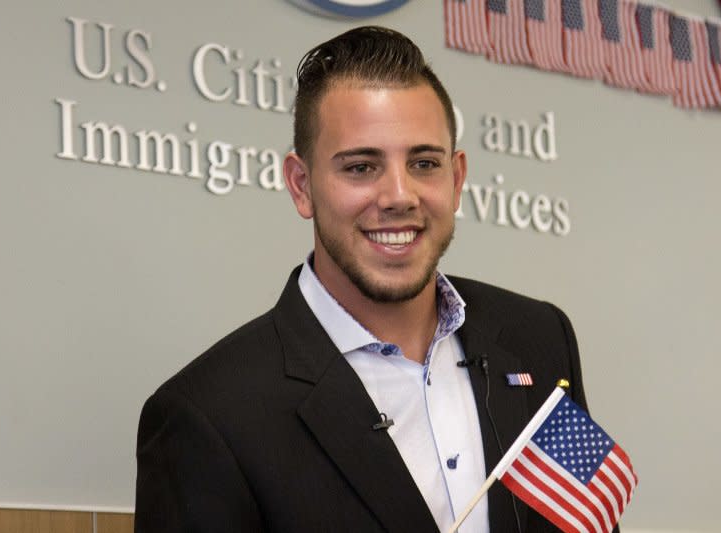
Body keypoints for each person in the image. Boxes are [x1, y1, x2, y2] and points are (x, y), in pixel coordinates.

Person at [135, 26, 592, 533]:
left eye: (423, 163)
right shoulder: (207, 415)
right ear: (301, 186)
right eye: (361, 167)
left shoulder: (539, 339)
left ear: (457, 179)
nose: (400, 195)